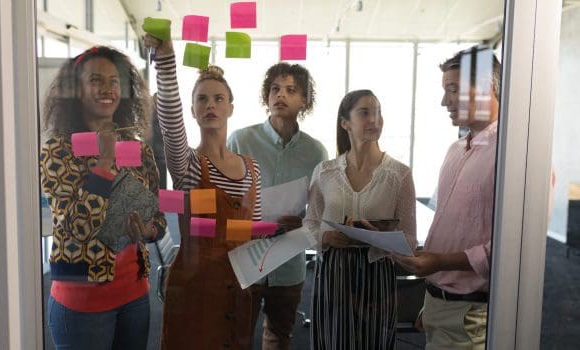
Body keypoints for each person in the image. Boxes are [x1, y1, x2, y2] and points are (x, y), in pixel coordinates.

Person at [39, 46, 167, 349]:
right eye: (95, 80)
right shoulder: (58, 152)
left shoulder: (139, 150)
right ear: (76, 90)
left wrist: (149, 231)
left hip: (135, 294)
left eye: (114, 80)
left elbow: (158, 216)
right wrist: (105, 160)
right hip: (82, 300)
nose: (107, 88)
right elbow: (76, 227)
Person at [143, 35, 262, 349]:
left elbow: (252, 235)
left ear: (231, 108)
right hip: (195, 290)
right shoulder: (190, 165)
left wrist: (281, 232)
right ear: (193, 110)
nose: (211, 105)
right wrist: (167, 60)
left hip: (238, 289)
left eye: (219, 98)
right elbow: (170, 124)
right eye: (202, 99)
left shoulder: (253, 169)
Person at [392, 46, 501, 349]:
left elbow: (512, 250)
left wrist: (439, 261)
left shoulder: (514, 155)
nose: (444, 101)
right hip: (440, 302)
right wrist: (433, 300)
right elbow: (451, 229)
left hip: (473, 314)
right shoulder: (455, 150)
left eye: (453, 90)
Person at [304, 89, 417, 349]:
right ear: (346, 123)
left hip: (377, 273)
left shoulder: (399, 174)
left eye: (377, 112)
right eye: (365, 113)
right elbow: (309, 224)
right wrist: (327, 236)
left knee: (373, 343)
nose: (374, 120)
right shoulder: (325, 172)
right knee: (332, 341)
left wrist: (379, 238)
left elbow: (410, 240)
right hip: (333, 272)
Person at [227, 62, 328, 349]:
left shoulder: (316, 151)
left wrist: (305, 222)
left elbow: (320, 213)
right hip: (245, 254)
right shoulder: (240, 140)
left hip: (288, 260)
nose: (280, 95)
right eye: (274, 89)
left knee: (279, 337)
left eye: (290, 89)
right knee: (237, 335)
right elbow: (225, 198)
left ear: (303, 100)